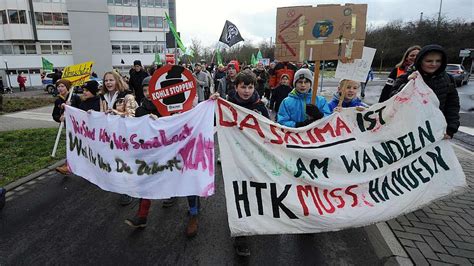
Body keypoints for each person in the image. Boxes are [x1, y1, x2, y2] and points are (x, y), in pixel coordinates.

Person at [125, 76, 211, 238]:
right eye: (145, 90)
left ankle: (193, 214)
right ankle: (142, 216)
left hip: (175, 153)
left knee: (186, 180)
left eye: (152, 90)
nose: (149, 94)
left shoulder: (171, 107)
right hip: (152, 154)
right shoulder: (140, 110)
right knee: (146, 180)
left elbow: (185, 123)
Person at [226, 69, 269, 257]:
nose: (246, 90)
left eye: (250, 87)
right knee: (239, 192)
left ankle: (257, 220)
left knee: (254, 190)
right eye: (243, 87)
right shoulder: (226, 106)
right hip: (234, 156)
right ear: (236, 87)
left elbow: (270, 130)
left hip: (255, 157)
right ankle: (241, 235)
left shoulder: (260, 107)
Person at [391, 44, 460, 139]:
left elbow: (452, 106)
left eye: (438, 61)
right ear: (420, 61)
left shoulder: (448, 80)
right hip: (407, 129)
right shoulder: (406, 77)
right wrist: (408, 83)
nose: (434, 64)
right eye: (429, 61)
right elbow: (393, 99)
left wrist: (451, 128)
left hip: (435, 130)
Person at [52, 79, 81, 175]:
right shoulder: (58, 100)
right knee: (71, 145)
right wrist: (59, 118)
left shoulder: (75, 97)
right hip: (68, 127)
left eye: (62, 86)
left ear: (67, 87)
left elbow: (82, 111)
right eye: (58, 86)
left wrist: (71, 107)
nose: (60, 89)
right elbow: (55, 114)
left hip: (79, 127)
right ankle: (68, 166)